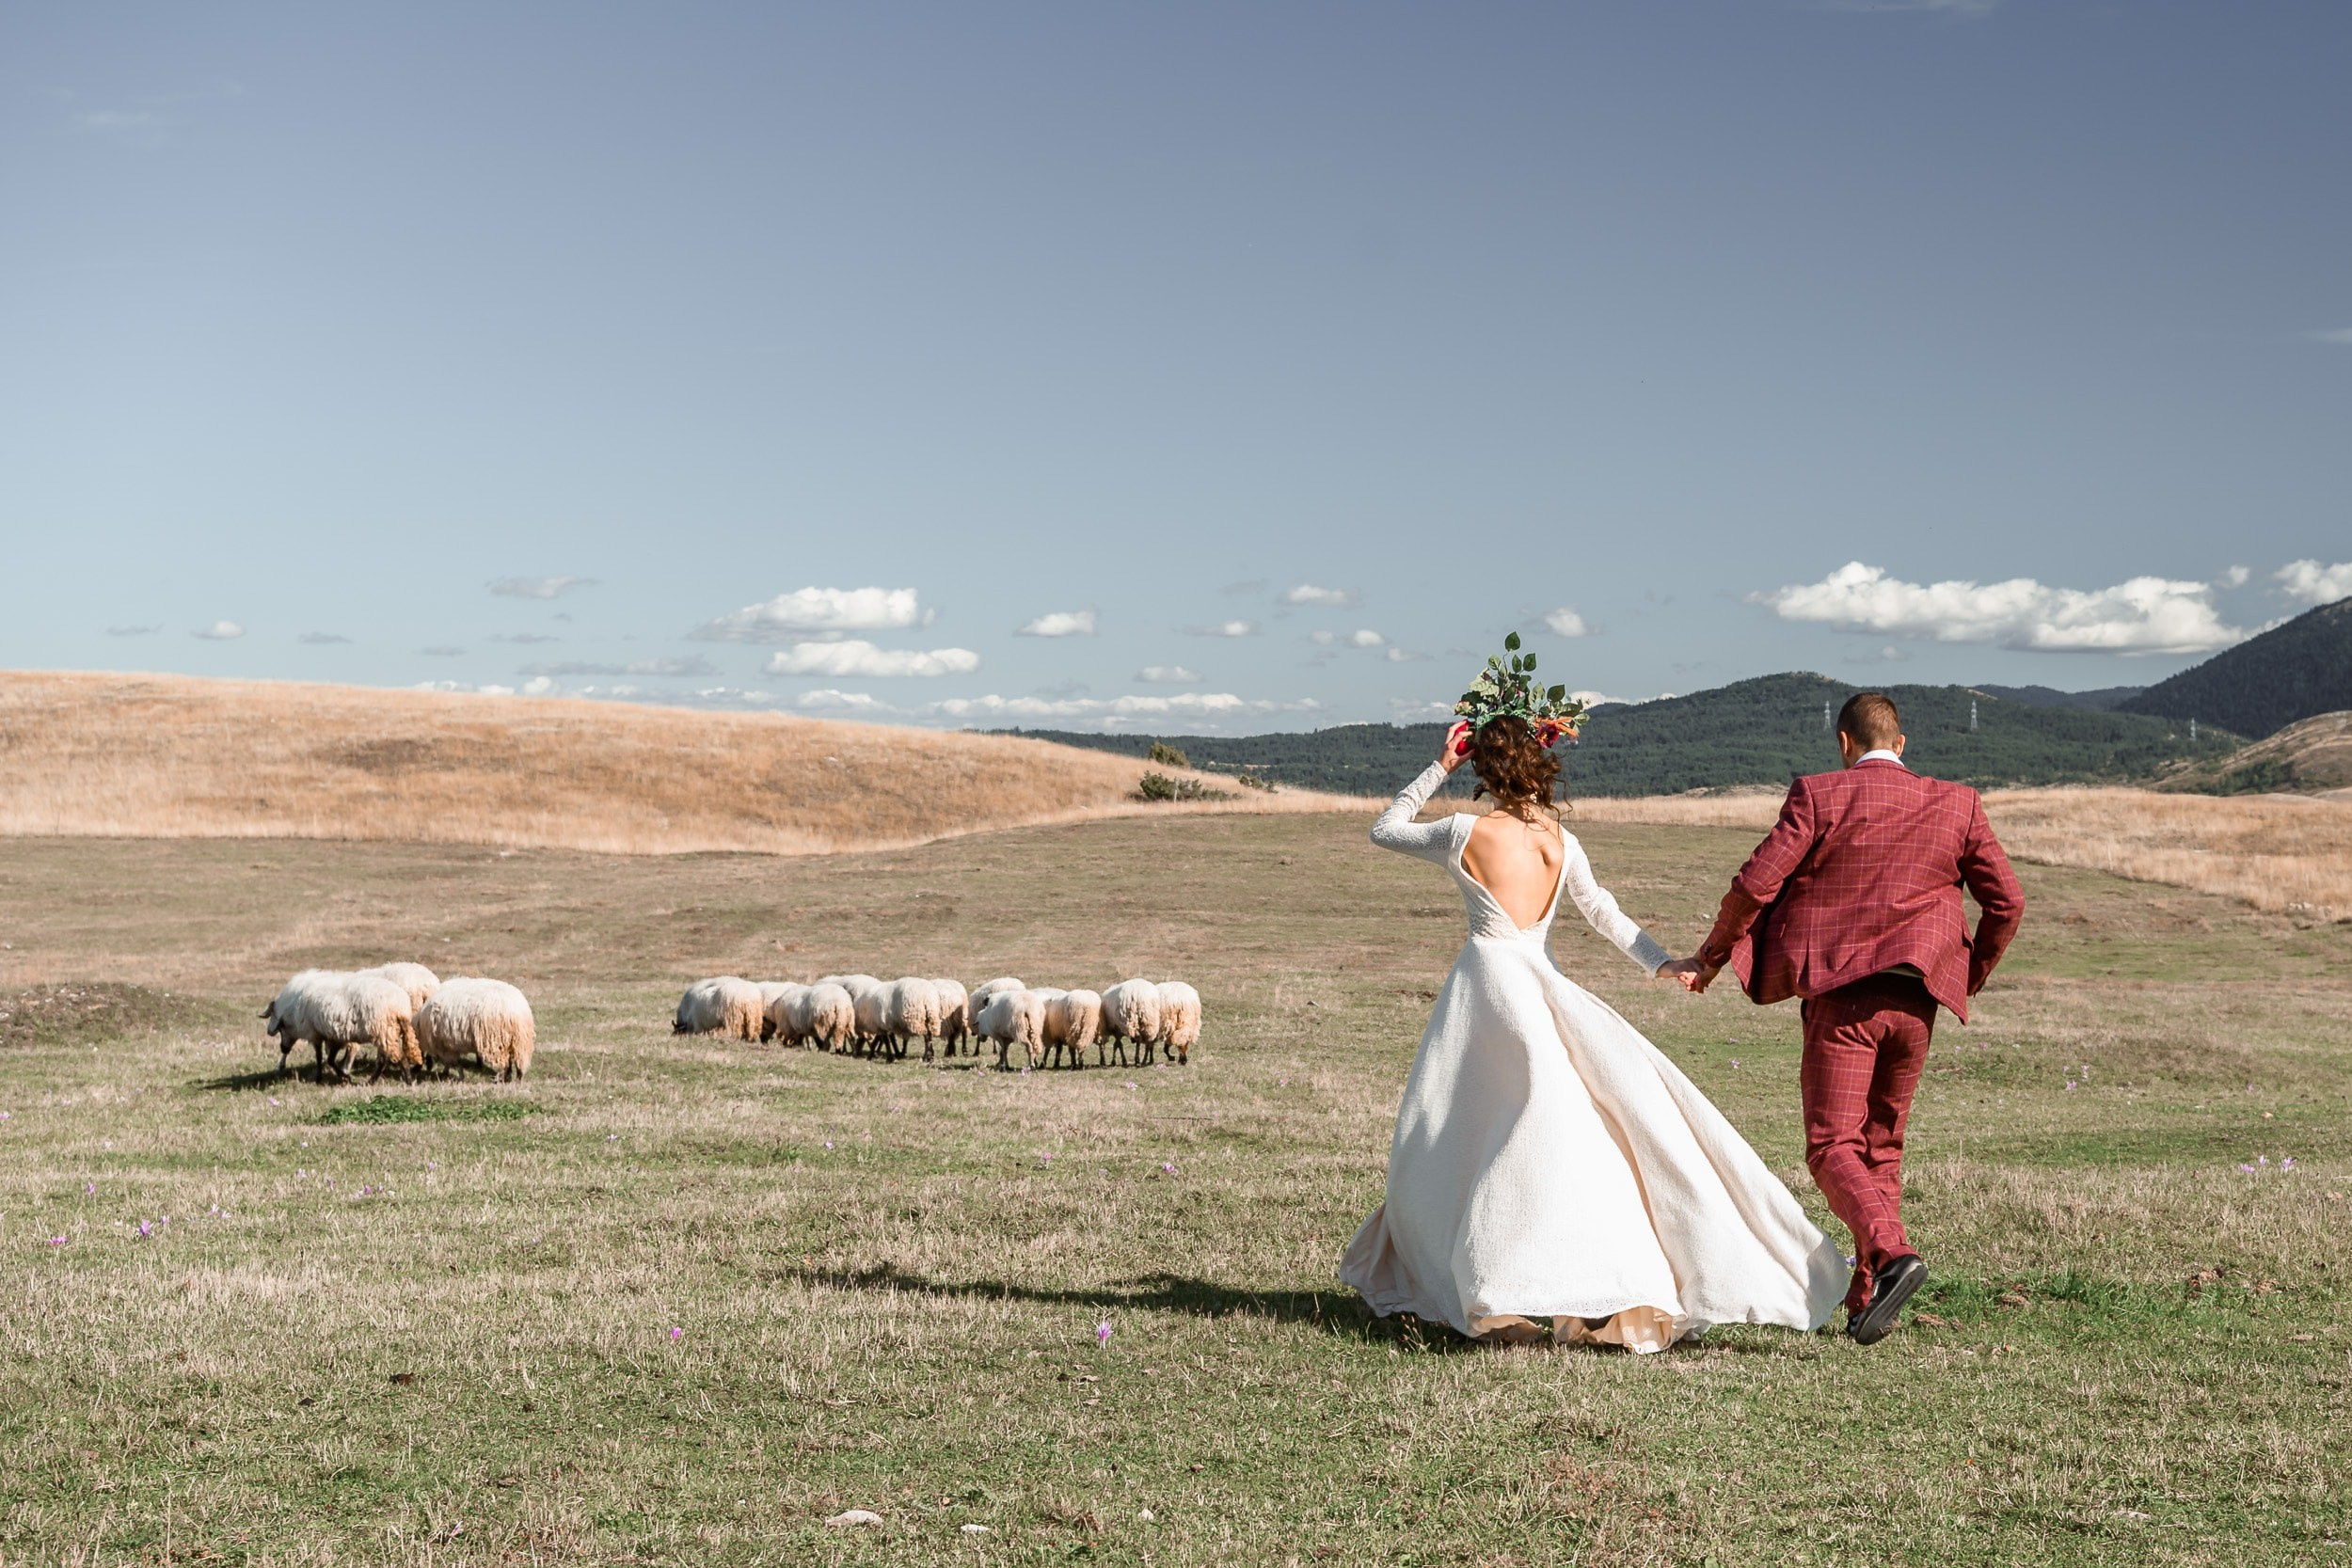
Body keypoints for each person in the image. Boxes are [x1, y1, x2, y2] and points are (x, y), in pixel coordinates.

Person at [1340, 707, 1847, 1351]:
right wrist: (1663, 962)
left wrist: (1441, 764)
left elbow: (1385, 828)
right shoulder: (1561, 840)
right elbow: (1603, 911)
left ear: (1484, 771)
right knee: (1557, 1133)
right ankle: (1570, 1285)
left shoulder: (1464, 831)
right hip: (1539, 984)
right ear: (1540, 763)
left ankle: (1492, 1284)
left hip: (1485, 992)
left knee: (1461, 1138)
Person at [1664, 691, 2025, 1345]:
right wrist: (1961, 976)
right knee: (1879, 1147)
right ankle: (1866, 1300)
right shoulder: (1959, 803)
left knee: (1832, 1144)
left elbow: (1755, 885)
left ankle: (1891, 1253)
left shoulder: (1819, 794)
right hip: (1916, 1002)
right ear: (1902, 743)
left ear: (1843, 741)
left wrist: (1711, 957)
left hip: (1844, 999)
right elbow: (2008, 903)